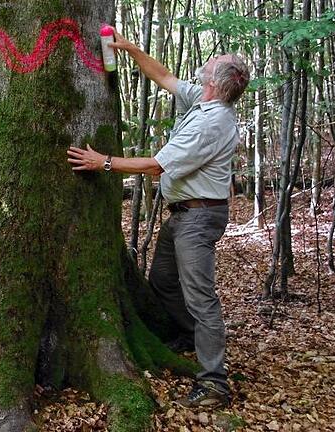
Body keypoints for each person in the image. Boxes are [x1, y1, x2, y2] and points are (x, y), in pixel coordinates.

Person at [66, 30, 250, 408]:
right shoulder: (203, 100)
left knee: (201, 299)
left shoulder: (210, 124)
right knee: (164, 282)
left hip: (199, 218)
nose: (208, 63)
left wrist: (102, 162)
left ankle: (214, 381)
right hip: (184, 214)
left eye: (213, 64)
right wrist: (131, 49)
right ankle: (187, 335)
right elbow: (165, 77)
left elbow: (155, 165)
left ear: (215, 82)